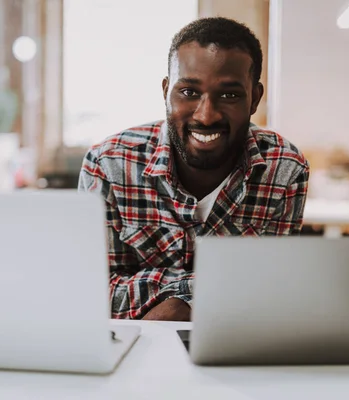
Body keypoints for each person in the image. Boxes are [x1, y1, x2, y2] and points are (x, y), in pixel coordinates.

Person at [78, 17, 310, 321]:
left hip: (235, 347)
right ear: (165, 91)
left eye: (229, 95)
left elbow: (270, 293)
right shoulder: (109, 164)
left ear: (255, 98)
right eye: (189, 92)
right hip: (132, 354)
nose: (206, 115)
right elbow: (89, 293)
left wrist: (179, 304)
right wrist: (195, 297)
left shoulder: (284, 169)